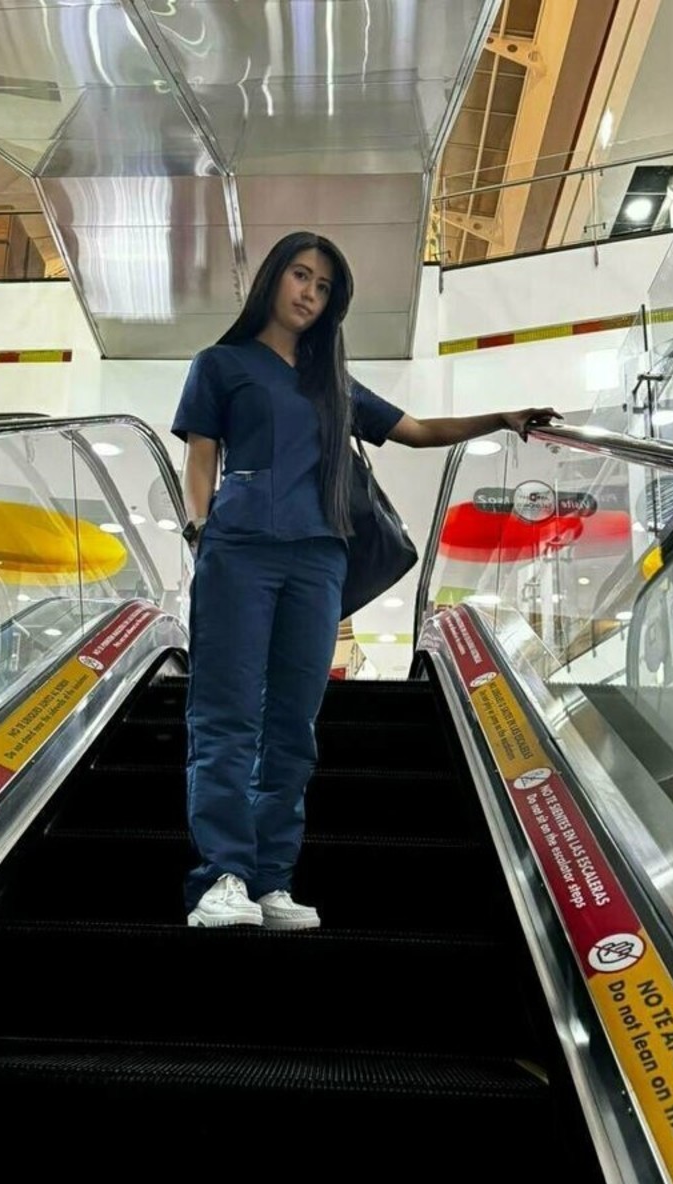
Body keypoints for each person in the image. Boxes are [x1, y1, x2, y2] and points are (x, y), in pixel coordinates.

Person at [173, 230, 559, 930]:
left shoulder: (332, 383)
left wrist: (498, 417)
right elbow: (201, 458)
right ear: (272, 277)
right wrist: (200, 534)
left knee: (294, 725)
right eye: (300, 276)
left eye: (323, 288)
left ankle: (270, 880)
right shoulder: (221, 364)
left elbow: (414, 429)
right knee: (227, 715)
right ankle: (221, 875)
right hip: (239, 552)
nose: (309, 295)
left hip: (321, 560)